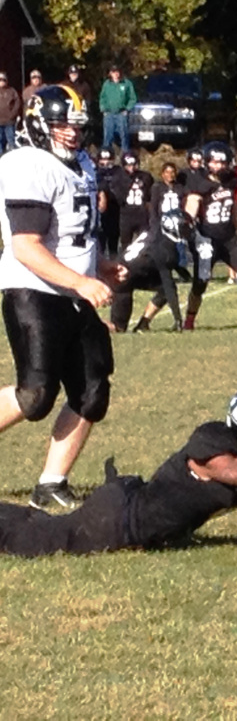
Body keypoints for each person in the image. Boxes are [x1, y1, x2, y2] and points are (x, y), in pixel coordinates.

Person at [0, 385, 237, 556]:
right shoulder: (211, 445)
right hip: (118, 521)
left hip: (135, 505)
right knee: (37, 538)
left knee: (41, 522)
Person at [0, 85, 125, 510]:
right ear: (38, 124)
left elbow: (75, 232)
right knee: (35, 396)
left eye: (75, 126)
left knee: (93, 393)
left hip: (74, 289)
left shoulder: (81, 163)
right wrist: (81, 281)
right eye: (60, 126)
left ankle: (51, 483)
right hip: (34, 289)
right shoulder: (27, 164)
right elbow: (26, 246)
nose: (71, 135)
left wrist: (100, 267)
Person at [183, 141, 237, 331]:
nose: (219, 166)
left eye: (222, 163)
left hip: (229, 239)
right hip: (207, 240)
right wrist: (191, 229)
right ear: (206, 162)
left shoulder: (231, 181)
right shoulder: (199, 182)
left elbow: (234, 209)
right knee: (200, 282)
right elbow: (192, 204)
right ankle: (189, 320)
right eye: (214, 162)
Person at [109, 209, 190, 333]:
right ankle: (90, 327)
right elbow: (170, 288)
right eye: (183, 226)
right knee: (118, 329)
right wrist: (178, 319)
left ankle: (143, 324)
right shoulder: (165, 250)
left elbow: (166, 262)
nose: (186, 230)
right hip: (123, 277)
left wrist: (183, 272)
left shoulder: (155, 233)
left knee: (163, 289)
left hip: (125, 268)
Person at [109, 151, 153, 249]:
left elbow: (150, 195)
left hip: (142, 214)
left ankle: (143, 263)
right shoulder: (118, 178)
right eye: (128, 165)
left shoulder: (146, 176)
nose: (132, 168)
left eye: (134, 165)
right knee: (126, 244)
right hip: (126, 215)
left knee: (145, 243)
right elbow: (118, 198)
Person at [98, 65, 136, 152]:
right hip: (109, 113)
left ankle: (125, 153)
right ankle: (106, 153)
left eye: (117, 72)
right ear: (110, 73)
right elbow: (102, 97)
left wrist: (127, 109)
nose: (115, 74)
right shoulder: (107, 84)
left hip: (121, 113)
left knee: (124, 134)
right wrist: (103, 109)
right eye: (113, 72)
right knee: (108, 135)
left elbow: (132, 98)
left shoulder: (126, 83)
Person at [95, 147, 123, 255]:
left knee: (114, 238)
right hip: (100, 209)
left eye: (108, 159)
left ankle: (113, 260)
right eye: (102, 159)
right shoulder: (94, 172)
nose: (105, 162)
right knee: (100, 238)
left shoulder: (118, 171)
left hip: (115, 208)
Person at [0, 72, 20, 156]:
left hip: (9, 121)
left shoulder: (12, 91)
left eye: (3, 80)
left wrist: (13, 115)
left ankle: (13, 157)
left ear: (7, 81)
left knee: (11, 140)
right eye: (0, 80)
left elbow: (17, 103)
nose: (1, 81)